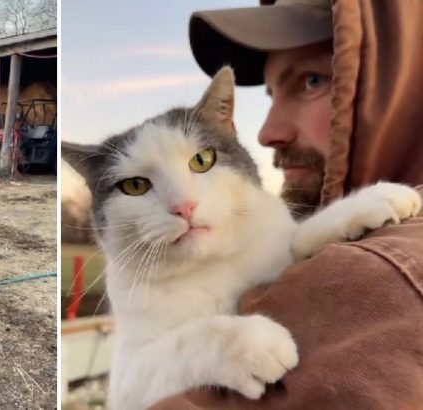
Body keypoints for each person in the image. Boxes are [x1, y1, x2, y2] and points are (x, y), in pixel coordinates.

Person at [148, 0, 423, 408]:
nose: (266, 133)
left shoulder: (383, 276)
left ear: (403, 85)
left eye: (313, 81)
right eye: (272, 92)